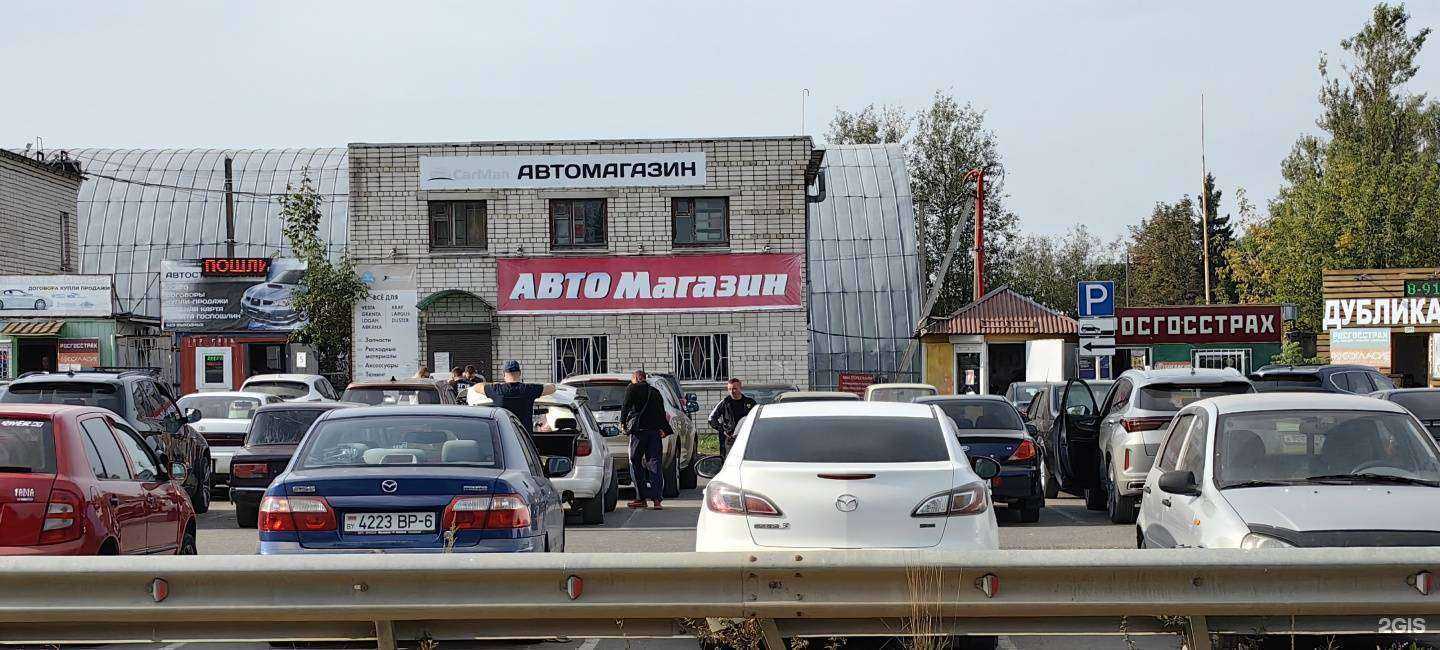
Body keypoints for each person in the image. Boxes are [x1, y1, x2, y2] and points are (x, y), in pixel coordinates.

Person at [620, 369, 672, 510]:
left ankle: (641, 498)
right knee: (655, 464)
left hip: (638, 433)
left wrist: (623, 422)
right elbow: (661, 412)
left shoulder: (632, 388)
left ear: (636, 378)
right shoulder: (655, 392)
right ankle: (657, 500)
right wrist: (665, 429)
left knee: (635, 461)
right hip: (654, 433)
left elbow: (626, 406)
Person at [479, 360, 555, 435]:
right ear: (520, 373)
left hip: (503, 437)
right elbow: (552, 388)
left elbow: (476, 387)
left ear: (504, 374)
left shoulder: (496, 389)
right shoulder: (529, 389)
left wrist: (494, 384)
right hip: (524, 438)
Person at [708, 378, 756, 458]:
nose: (732, 391)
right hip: (729, 438)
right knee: (728, 459)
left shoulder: (750, 403)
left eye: (734, 388)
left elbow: (756, 418)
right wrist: (723, 430)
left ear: (740, 388)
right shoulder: (725, 402)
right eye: (729, 389)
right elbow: (711, 418)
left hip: (746, 437)